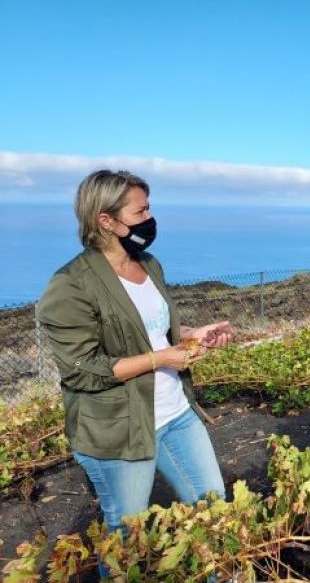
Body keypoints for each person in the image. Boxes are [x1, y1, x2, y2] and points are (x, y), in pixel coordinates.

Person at [37, 169, 234, 549]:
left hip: (175, 412)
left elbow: (149, 329)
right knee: (126, 537)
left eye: (149, 209)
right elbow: (83, 369)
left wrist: (191, 336)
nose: (149, 219)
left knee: (214, 511)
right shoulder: (70, 285)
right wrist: (160, 357)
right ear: (106, 221)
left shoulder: (148, 263)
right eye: (140, 212)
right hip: (118, 430)